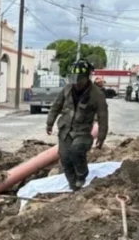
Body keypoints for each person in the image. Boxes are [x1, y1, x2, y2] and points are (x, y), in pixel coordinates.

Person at [46, 59, 109, 191]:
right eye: (73, 80)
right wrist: (49, 123)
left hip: (83, 132)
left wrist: (101, 137)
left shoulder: (97, 94)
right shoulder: (67, 89)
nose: (76, 84)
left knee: (76, 151)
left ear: (86, 78)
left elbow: (103, 117)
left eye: (79, 80)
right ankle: (73, 185)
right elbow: (56, 106)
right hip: (65, 130)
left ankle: (81, 175)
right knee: (65, 157)